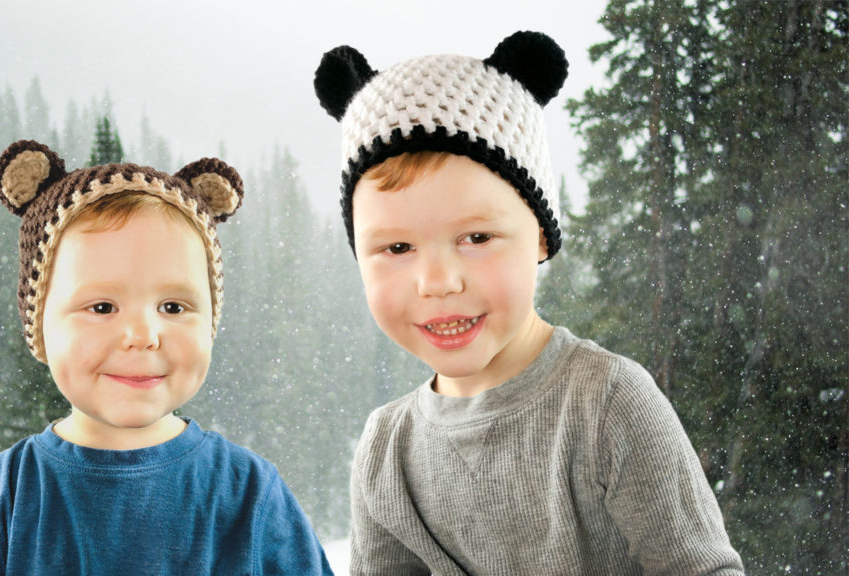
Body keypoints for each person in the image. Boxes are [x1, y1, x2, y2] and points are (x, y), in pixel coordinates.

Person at [314, 31, 744, 575]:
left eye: (476, 238)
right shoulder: (385, 450)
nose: (438, 282)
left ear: (540, 235)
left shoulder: (607, 404)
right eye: (397, 247)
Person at [0, 140, 333, 575]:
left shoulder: (250, 495)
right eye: (102, 308)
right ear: (40, 326)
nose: (142, 336)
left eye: (172, 307)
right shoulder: (1, 499)